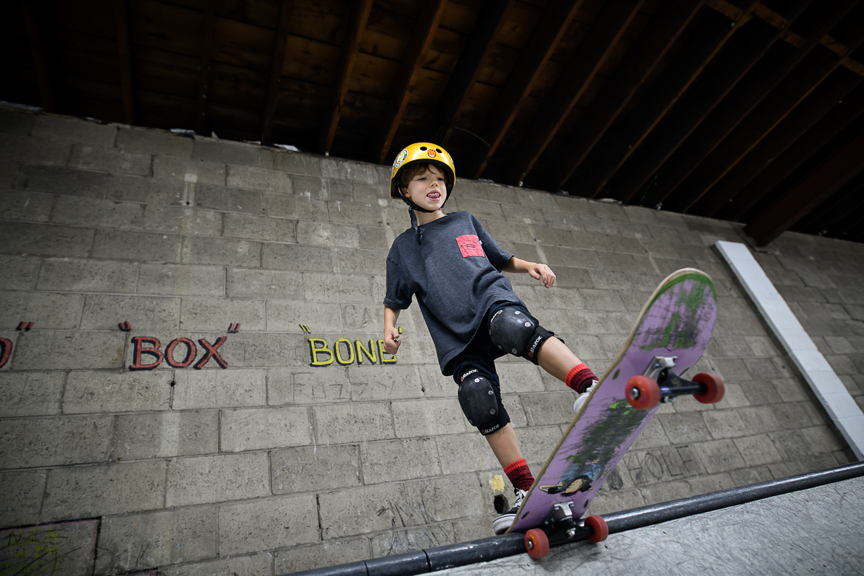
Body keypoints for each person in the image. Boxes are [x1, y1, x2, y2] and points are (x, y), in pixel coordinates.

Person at [382, 142, 598, 535]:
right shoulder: (401, 249)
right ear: (403, 190)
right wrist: (388, 330)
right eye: (423, 179)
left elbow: (499, 259)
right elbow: (394, 298)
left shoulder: (465, 220)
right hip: (454, 335)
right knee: (478, 399)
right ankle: (524, 490)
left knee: (514, 328)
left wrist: (531, 265)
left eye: (440, 179)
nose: (434, 185)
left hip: (490, 301)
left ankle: (588, 385)